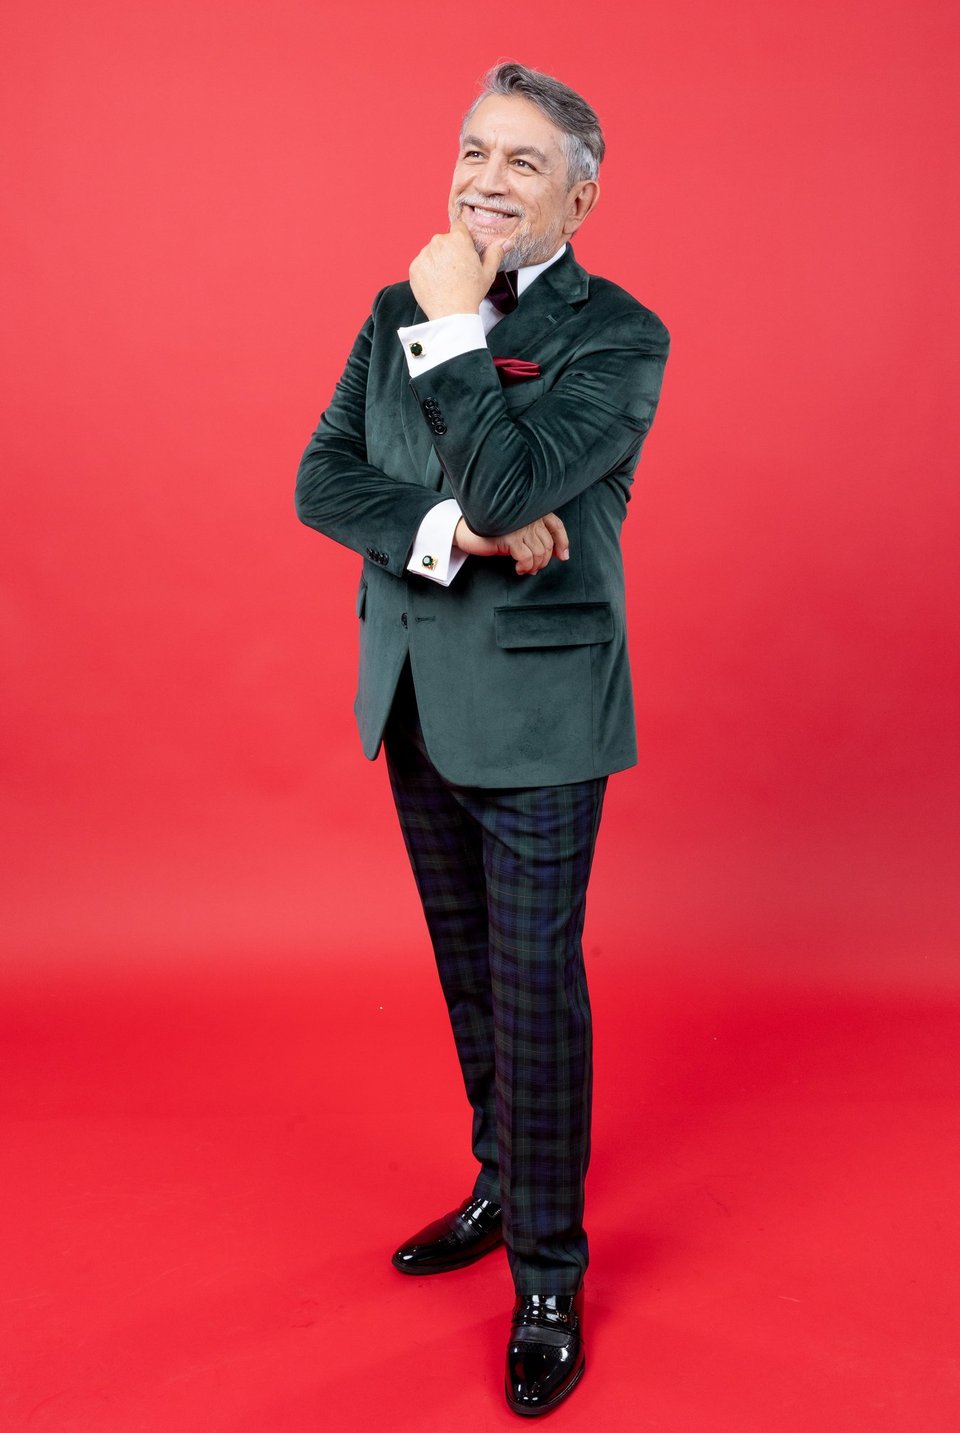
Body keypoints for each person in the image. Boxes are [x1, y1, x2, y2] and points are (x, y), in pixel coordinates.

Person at [295, 60, 669, 1416]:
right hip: (413, 693)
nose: (485, 180)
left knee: (532, 988)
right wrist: (453, 532)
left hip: (542, 715)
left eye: (522, 160)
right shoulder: (390, 306)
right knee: (471, 979)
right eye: (473, 151)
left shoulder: (620, 335)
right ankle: (503, 1184)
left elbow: (518, 478)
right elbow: (323, 477)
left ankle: (550, 1279)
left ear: (581, 195)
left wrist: (459, 324)